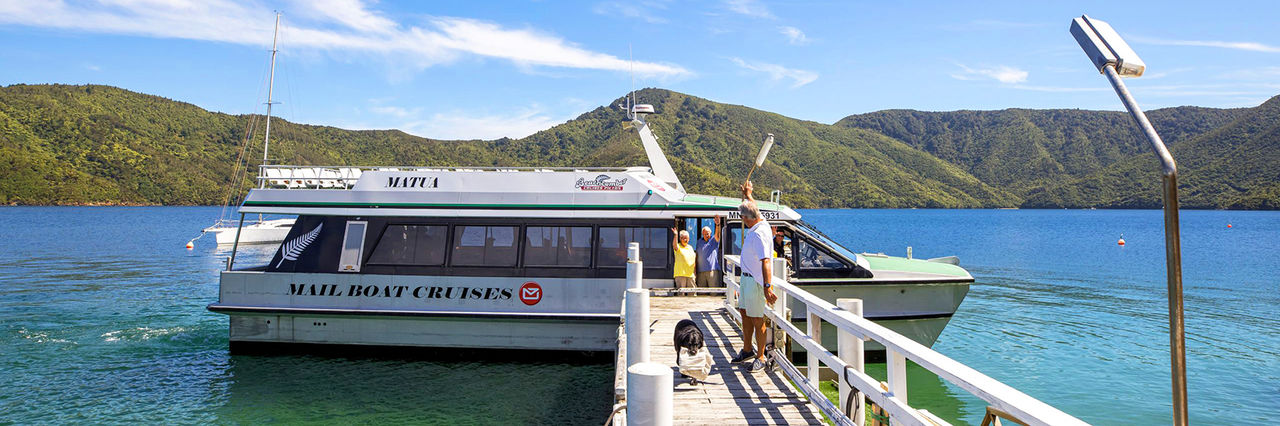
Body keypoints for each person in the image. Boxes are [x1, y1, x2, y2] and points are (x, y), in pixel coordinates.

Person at [731, 180, 778, 373]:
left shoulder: (759, 234)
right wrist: (748, 194)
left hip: (755, 282)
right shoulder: (760, 222)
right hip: (746, 279)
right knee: (744, 313)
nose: (742, 220)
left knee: (757, 319)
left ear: (746, 218)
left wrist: (767, 287)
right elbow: (754, 207)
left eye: (742, 217)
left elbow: (766, 261)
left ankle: (761, 357)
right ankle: (747, 350)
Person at [695, 216, 723, 288]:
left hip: (712, 271)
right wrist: (695, 270)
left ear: (710, 233)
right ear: (702, 234)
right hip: (700, 271)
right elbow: (696, 255)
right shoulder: (699, 242)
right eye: (704, 234)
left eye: (707, 233)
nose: (706, 235)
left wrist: (717, 225)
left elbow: (717, 235)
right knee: (701, 292)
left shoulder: (713, 240)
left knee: (714, 291)